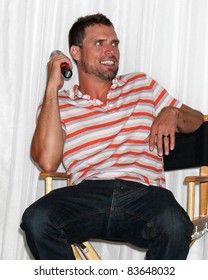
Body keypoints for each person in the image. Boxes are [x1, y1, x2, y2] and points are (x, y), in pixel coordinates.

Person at [21, 13, 204, 260]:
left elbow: (196, 120)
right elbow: (47, 161)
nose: (111, 51)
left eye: (114, 43)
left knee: (174, 224)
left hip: (144, 194)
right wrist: (52, 88)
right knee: (37, 219)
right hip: (87, 194)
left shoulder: (141, 85)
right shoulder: (57, 104)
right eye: (100, 43)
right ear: (75, 52)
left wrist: (173, 112)